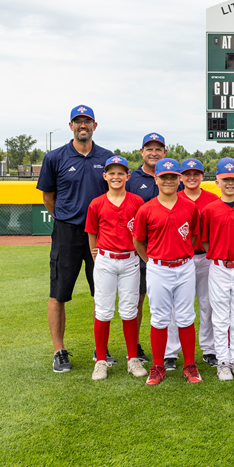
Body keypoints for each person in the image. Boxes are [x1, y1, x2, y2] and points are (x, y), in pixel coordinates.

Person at [37, 104, 113, 373]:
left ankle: (100, 349)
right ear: (70, 126)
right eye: (78, 121)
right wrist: (64, 216)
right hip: (67, 232)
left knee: (101, 293)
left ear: (95, 125)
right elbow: (48, 197)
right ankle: (59, 351)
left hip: (100, 233)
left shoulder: (107, 157)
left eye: (87, 121)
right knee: (58, 294)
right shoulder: (55, 157)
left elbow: (113, 194)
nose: (83, 125)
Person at [132, 158, 202, 385]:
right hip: (158, 267)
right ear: (157, 179)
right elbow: (139, 241)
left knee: (185, 316)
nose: (169, 181)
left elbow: (192, 237)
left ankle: (190, 365)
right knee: (160, 318)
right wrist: (152, 261)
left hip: (184, 266)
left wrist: (181, 254)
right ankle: (158, 366)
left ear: (179, 179)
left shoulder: (190, 207)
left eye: (173, 177)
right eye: (164, 177)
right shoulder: (146, 209)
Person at [84, 156, 146, 380]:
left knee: (129, 310)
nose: (116, 176)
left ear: (128, 176)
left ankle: (133, 358)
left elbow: (141, 233)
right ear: (105, 176)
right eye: (112, 172)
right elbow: (92, 232)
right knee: (103, 310)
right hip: (106, 259)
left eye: (121, 173)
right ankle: (100, 360)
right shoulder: (97, 203)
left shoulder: (137, 201)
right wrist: (95, 252)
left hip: (130, 259)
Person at [200, 158, 234, 380]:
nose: (230, 183)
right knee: (221, 316)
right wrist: (219, 254)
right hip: (219, 267)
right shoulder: (209, 210)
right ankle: (223, 361)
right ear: (217, 181)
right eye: (226, 180)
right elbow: (205, 241)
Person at [164, 158, 218, 370]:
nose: (192, 177)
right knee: (175, 307)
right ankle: (171, 352)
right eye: (187, 174)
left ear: (202, 176)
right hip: (180, 260)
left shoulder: (213, 199)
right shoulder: (171, 198)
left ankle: (209, 348)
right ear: (180, 178)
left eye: (196, 173)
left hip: (205, 257)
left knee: (207, 304)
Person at [125, 132, 173, 363]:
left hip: (169, 249)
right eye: (149, 148)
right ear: (141, 151)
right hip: (141, 250)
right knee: (138, 299)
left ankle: (170, 351)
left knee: (171, 303)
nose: (154, 152)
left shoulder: (174, 177)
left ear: (165, 152)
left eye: (158, 148)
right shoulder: (132, 178)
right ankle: (134, 347)